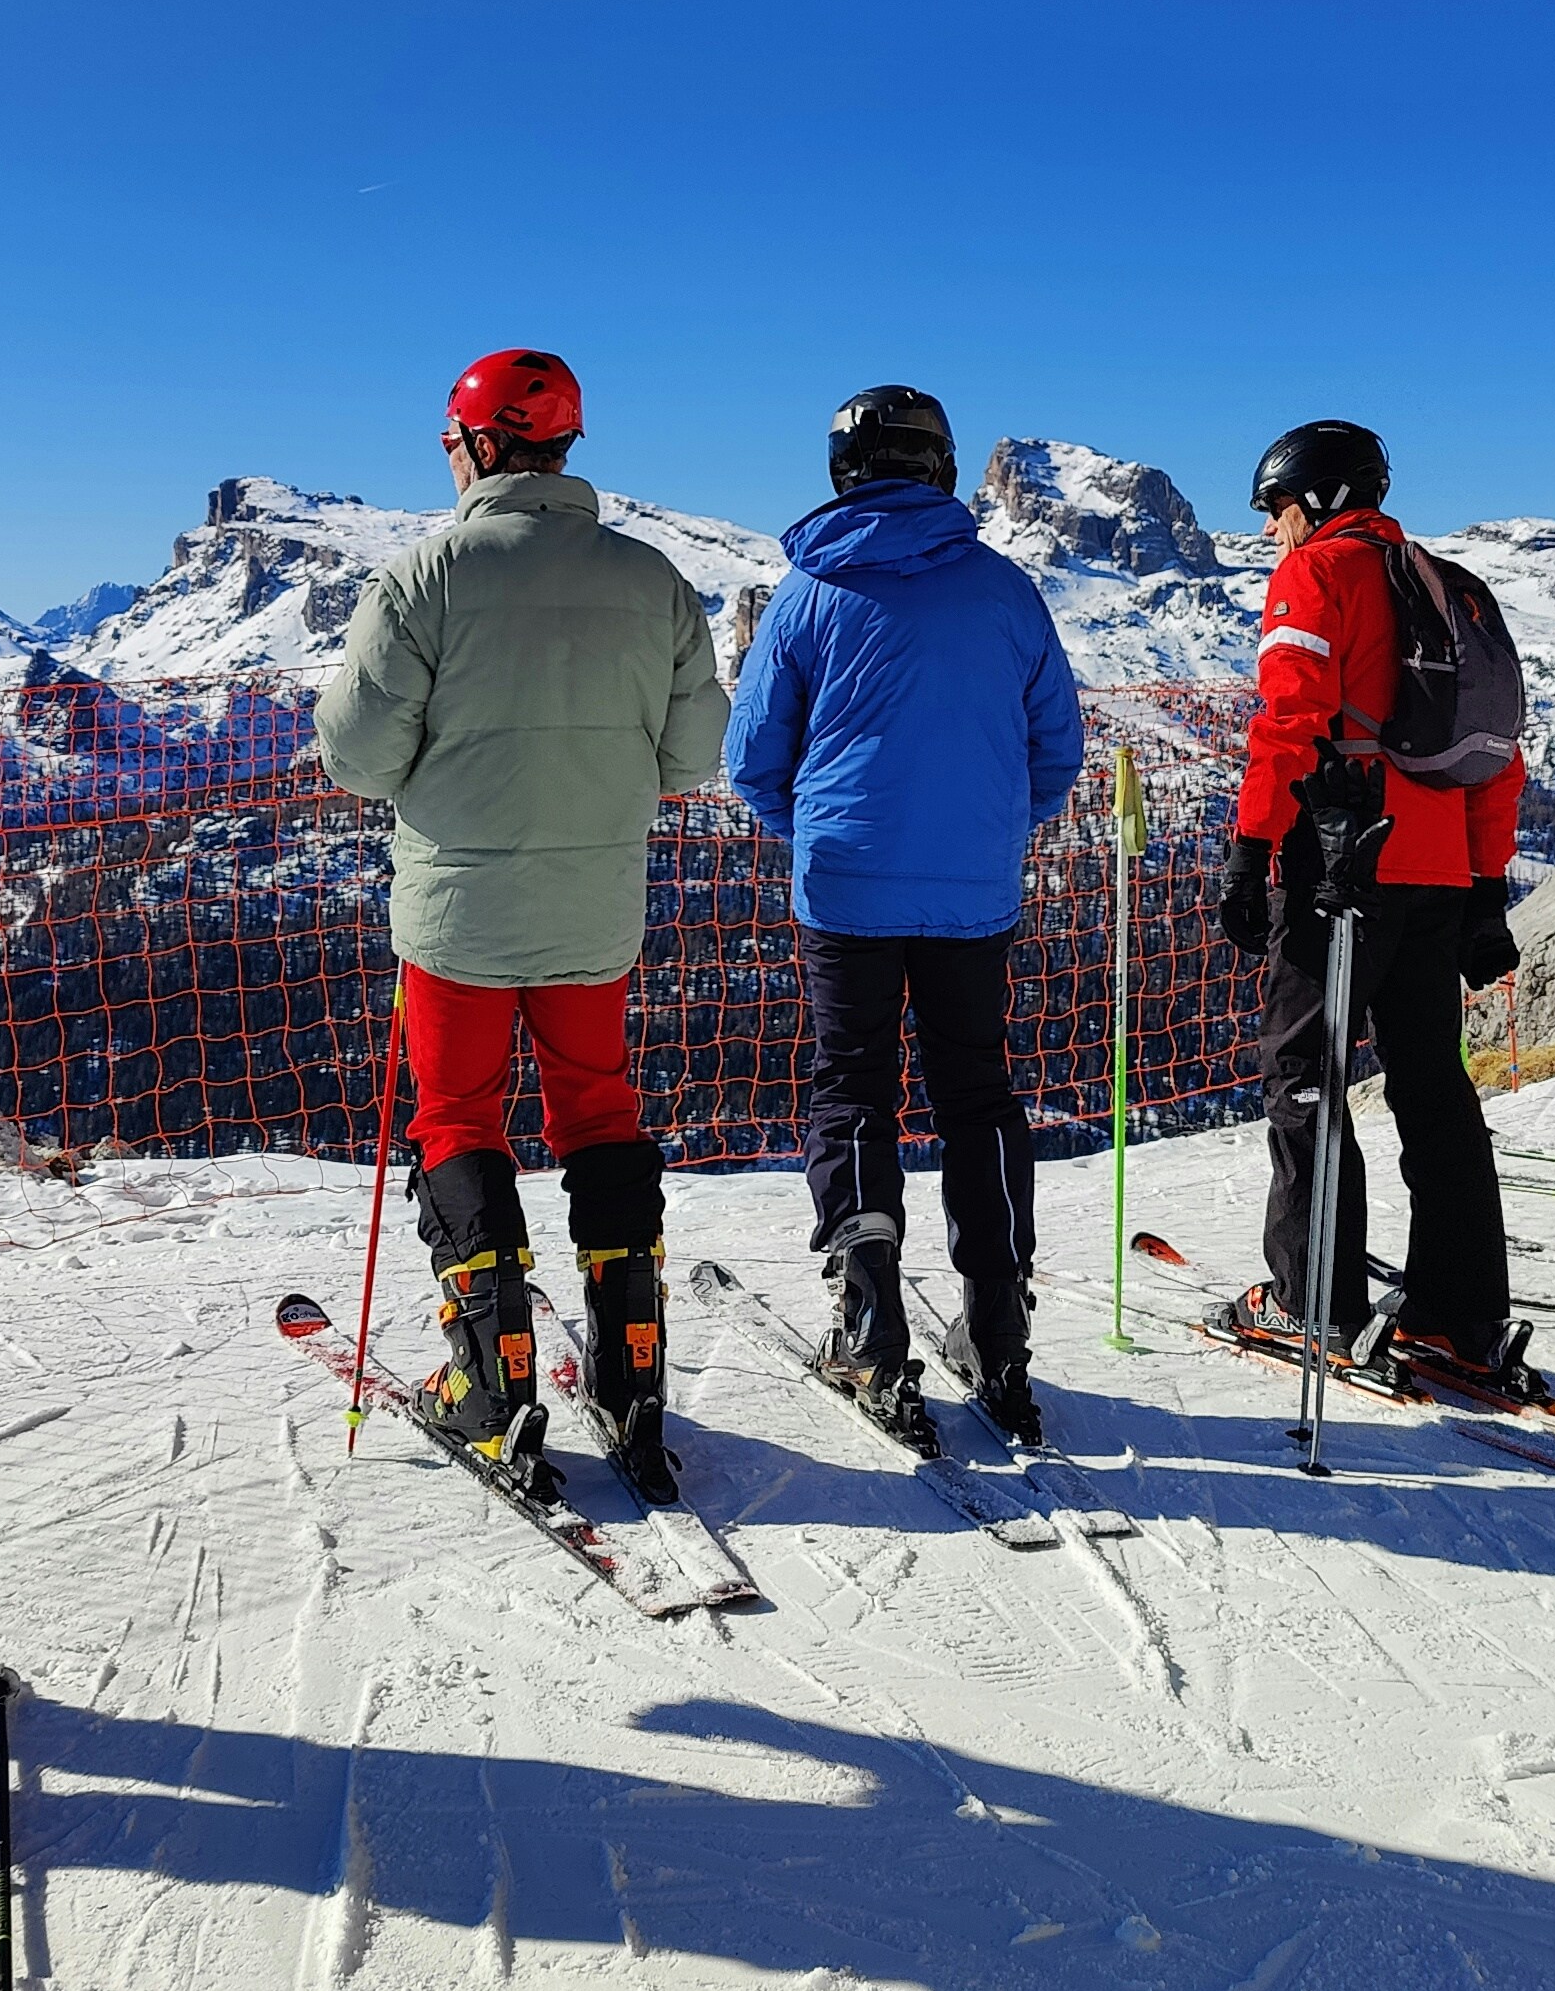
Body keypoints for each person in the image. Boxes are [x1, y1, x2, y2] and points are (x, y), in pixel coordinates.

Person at [317, 349, 729, 1502]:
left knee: (457, 1114)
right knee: (598, 1108)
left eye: (451, 440)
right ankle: (632, 1372)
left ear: (485, 443)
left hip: (453, 914)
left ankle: (491, 1382)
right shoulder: (655, 582)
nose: (447, 458)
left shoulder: (421, 579)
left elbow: (354, 756)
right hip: (595, 908)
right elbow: (694, 759)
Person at [724, 386, 1084, 1447]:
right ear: (937, 465)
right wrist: (984, 831)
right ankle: (999, 1332)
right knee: (978, 1096)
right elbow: (1053, 747)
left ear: (843, 469)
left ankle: (871, 1327)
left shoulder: (806, 592)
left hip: (844, 889)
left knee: (855, 1090)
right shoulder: (1005, 589)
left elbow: (752, 761)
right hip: (973, 894)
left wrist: (825, 832)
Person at [1211, 420, 1533, 1384]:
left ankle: (1314, 1306)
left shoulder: (1320, 574)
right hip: (1439, 874)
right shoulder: (1453, 585)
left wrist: (1251, 847)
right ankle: (1460, 1311)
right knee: (1434, 1085)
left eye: (1277, 511)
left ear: (1316, 500)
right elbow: (1496, 757)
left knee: (1305, 1074)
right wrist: (1484, 889)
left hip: (1343, 868)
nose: (1274, 531)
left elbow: (1288, 718)